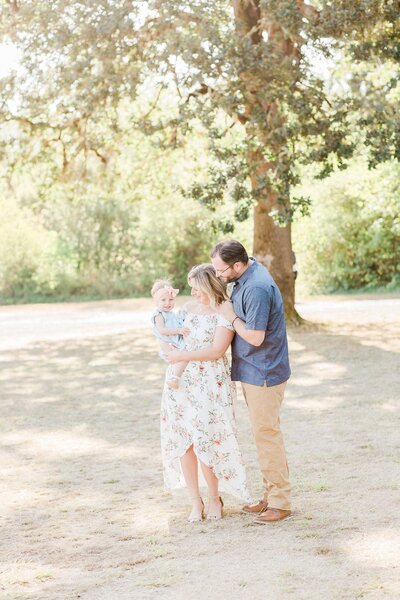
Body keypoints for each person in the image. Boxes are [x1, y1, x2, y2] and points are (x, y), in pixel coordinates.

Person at [211, 240, 292, 524]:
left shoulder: (256, 287)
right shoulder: (246, 275)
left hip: (264, 372)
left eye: (221, 270)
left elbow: (256, 337)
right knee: (262, 434)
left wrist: (230, 317)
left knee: (267, 435)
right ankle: (270, 496)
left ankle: (280, 502)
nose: (218, 275)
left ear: (237, 265)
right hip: (254, 370)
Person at [163, 264, 252, 522]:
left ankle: (215, 498)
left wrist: (183, 355)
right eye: (190, 287)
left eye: (197, 288)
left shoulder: (225, 311)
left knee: (206, 437)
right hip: (182, 381)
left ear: (211, 286)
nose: (193, 293)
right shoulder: (187, 310)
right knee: (185, 441)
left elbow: (216, 351)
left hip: (211, 382)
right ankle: (195, 501)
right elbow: (175, 338)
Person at [150, 279, 189, 389]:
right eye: (163, 300)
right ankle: (174, 378)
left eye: (171, 299)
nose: (168, 303)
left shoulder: (171, 314)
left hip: (173, 340)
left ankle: (176, 376)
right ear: (156, 301)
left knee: (184, 357)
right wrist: (178, 330)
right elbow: (162, 330)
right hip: (167, 342)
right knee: (182, 357)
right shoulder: (159, 314)